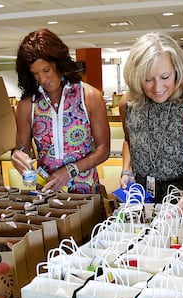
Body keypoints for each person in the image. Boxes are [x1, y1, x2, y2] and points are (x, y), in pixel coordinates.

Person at [118, 32, 183, 212]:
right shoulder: (128, 103)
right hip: (141, 199)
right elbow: (129, 141)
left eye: (165, 77)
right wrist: (126, 170)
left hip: (182, 202)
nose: (158, 87)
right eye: (148, 79)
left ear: (177, 70)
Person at [12, 28, 110, 194]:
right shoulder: (28, 105)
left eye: (46, 70)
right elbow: (22, 151)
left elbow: (103, 150)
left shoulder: (89, 97)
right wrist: (17, 157)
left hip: (85, 191)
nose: (43, 80)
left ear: (58, 63)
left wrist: (70, 170)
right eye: (35, 74)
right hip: (47, 192)